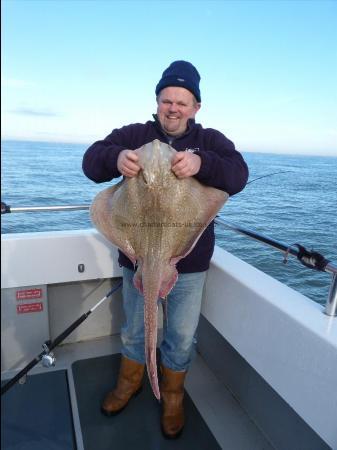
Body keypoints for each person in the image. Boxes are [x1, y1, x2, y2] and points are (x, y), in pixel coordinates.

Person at [82, 60, 249, 438]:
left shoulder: (209, 141)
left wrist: (201, 163)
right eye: (166, 100)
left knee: (182, 335)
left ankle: (171, 395)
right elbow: (91, 161)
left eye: (182, 101)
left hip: (187, 263)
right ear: (157, 101)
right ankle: (130, 383)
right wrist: (115, 158)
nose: (173, 107)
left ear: (196, 107)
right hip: (137, 255)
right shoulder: (133, 134)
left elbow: (238, 174)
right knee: (134, 328)